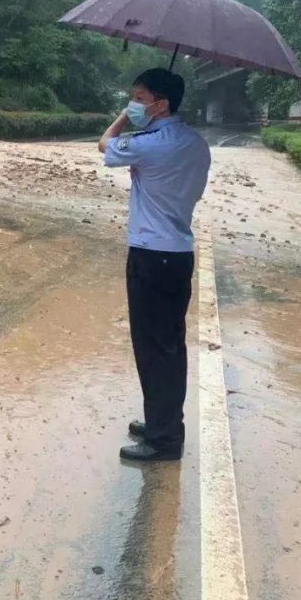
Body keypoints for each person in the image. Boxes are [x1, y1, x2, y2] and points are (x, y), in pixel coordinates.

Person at [98, 68, 211, 462]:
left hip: (149, 255)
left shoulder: (149, 143)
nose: (134, 104)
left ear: (161, 104)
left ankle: (164, 440)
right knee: (169, 345)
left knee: (153, 348)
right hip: (178, 253)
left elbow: (104, 145)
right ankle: (162, 422)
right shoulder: (197, 144)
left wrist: (125, 118)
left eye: (140, 98)